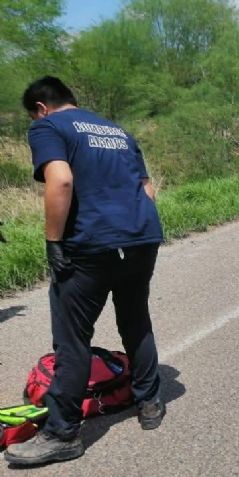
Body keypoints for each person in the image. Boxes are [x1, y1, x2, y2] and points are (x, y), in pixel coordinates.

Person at [6, 76, 166, 466]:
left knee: (73, 338)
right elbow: (147, 190)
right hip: (141, 238)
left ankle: (62, 434)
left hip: (91, 245)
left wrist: (53, 241)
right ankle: (149, 403)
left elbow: (60, 178)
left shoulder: (47, 126)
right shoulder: (117, 131)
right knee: (135, 319)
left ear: (41, 107)